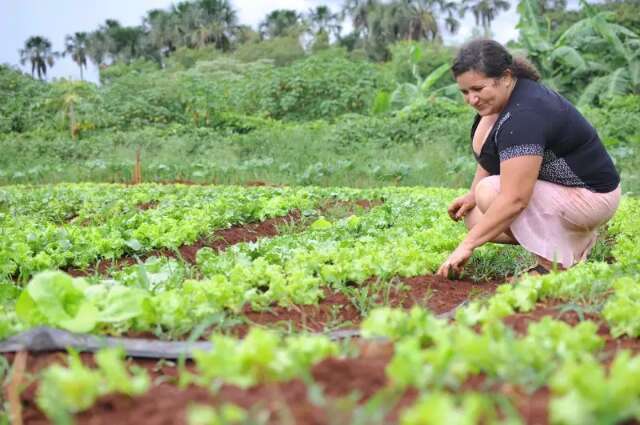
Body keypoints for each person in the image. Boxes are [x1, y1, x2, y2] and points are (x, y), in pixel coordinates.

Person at [436, 39, 621, 279]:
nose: (472, 99)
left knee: (491, 192)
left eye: (478, 89)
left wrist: (466, 246)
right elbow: (490, 154)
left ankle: (553, 264)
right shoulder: (503, 101)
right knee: (475, 216)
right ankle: (574, 240)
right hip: (564, 193)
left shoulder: (524, 114)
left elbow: (516, 198)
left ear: (505, 77)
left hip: (592, 196)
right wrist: (471, 195)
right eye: (465, 92)